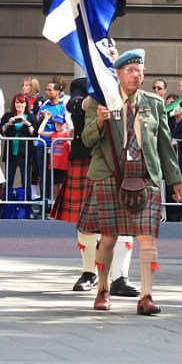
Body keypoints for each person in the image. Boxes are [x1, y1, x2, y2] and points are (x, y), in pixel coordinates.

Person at [77, 49, 182, 313]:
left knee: (148, 237)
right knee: (108, 237)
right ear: (118, 73)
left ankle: (146, 296)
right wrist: (99, 122)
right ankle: (103, 290)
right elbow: (86, 140)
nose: (135, 75)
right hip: (110, 175)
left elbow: (164, 144)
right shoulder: (101, 101)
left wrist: (175, 180)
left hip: (145, 176)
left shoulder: (154, 103)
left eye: (139, 70)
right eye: (129, 70)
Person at [52, 78, 141, 297]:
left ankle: (120, 277)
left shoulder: (128, 85)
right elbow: (73, 103)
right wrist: (91, 102)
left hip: (121, 159)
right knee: (88, 222)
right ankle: (88, 273)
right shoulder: (83, 84)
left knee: (124, 218)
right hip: (87, 157)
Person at [0, 93, 36, 197]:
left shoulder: (31, 117)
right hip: (11, 153)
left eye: (22, 103)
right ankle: (5, 204)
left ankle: (27, 204)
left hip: (25, 154)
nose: (19, 105)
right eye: (17, 102)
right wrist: (7, 124)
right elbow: (0, 132)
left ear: (26, 104)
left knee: (26, 180)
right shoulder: (8, 116)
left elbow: (35, 134)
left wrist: (27, 123)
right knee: (9, 179)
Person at [38, 110, 70, 203]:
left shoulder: (67, 134)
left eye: (60, 123)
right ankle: (54, 205)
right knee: (54, 187)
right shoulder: (53, 134)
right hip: (53, 165)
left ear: (65, 124)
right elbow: (40, 131)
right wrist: (46, 119)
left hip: (63, 165)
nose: (57, 125)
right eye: (56, 123)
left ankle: (62, 205)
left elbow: (72, 130)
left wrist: (68, 121)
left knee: (62, 187)